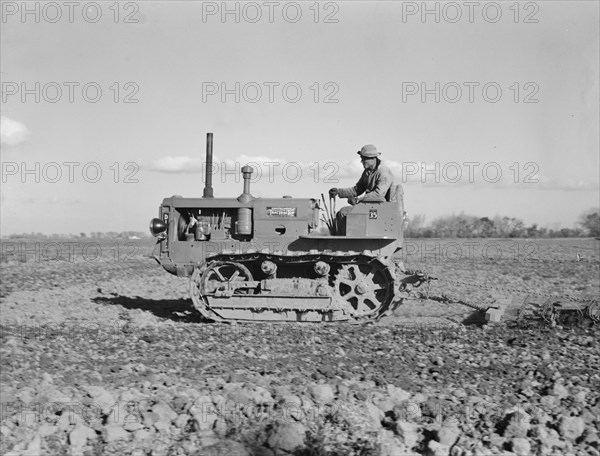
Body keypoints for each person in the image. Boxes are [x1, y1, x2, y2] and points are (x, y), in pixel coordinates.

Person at [329, 144, 395, 215]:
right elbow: (356, 190)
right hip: (371, 206)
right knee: (343, 212)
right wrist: (339, 192)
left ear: (372, 158)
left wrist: (357, 200)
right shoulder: (367, 172)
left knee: (343, 212)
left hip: (381, 209)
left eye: (364, 159)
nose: (361, 161)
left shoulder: (384, 173)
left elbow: (378, 194)